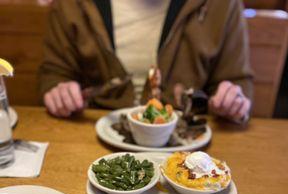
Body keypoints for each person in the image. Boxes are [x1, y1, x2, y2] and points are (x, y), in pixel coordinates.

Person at [39, 0, 253, 122]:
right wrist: (60, 92)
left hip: (187, 136)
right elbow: (54, 73)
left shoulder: (222, 4)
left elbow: (237, 80)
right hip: (96, 129)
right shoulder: (71, 4)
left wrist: (232, 99)